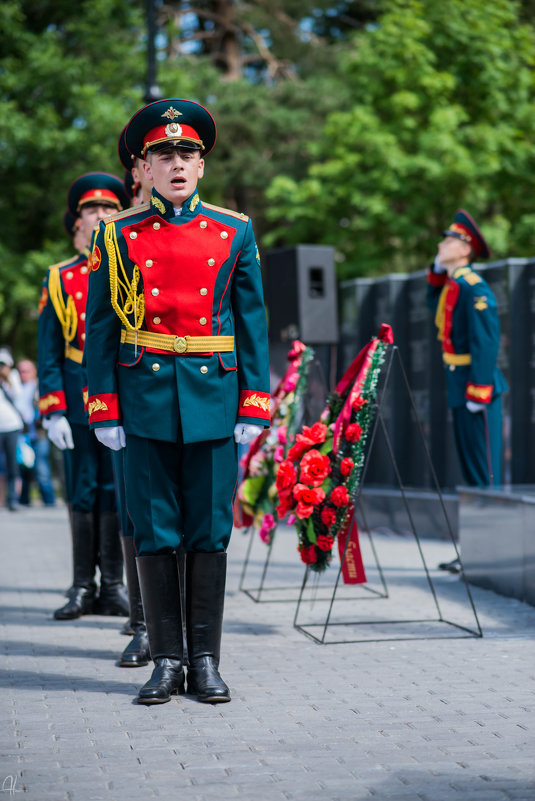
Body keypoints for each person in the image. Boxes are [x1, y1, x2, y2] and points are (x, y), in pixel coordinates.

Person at [85, 98, 270, 705]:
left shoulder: (234, 231)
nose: (177, 163)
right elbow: (104, 330)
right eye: (163, 154)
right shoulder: (116, 236)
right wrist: (103, 406)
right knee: (157, 528)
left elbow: (252, 324)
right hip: (144, 398)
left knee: (210, 530)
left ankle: (206, 660)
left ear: (203, 164)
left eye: (187, 152)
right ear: (143, 168)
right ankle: (165, 660)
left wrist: (254, 402)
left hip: (214, 395)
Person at [38, 173, 131, 619]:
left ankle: (113, 585)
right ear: (77, 221)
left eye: (109, 209)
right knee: (82, 490)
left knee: (115, 492)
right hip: (77, 400)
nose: (100, 216)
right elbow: (49, 351)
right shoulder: (59, 278)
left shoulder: (127, 267)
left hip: (120, 394)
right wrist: (52, 409)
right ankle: (81, 586)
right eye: (91, 210)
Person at [427, 209, 508, 572]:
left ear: (465, 249)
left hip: (478, 390)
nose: (441, 244)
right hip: (460, 386)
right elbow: (436, 311)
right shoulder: (453, 284)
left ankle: (493, 556)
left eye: (449, 240)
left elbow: (486, 342)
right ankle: (476, 552)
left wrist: (479, 389)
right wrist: (437, 272)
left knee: (485, 475)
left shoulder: (474, 286)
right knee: (472, 474)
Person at [16, 359, 56, 507]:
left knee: (42, 469)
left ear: (34, 372)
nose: (23, 374)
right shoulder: (16, 388)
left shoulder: (40, 387)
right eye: (20, 371)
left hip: (38, 434)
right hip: (22, 436)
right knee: (23, 469)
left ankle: (49, 501)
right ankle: (23, 500)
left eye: (26, 370)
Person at [0, 348, 24, 511]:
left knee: (12, 464)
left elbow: (19, 396)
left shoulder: (13, 377)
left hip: (11, 426)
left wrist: (7, 378)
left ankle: (13, 499)